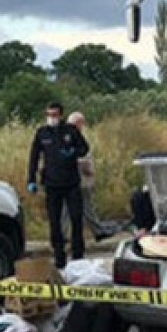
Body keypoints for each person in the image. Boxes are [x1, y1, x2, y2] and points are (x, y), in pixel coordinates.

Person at [26, 101, 90, 269]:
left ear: (60, 115)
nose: (51, 118)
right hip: (51, 183)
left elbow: (84, 148)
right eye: (48, 115)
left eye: (54, 115)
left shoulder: (70, 131)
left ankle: (78, 254)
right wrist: (31, 179)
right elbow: (34, 157)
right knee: (54, 223)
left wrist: (73, 152)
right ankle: (59, 256)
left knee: (76, 218)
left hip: (71, 183)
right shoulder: (42, 133)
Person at [59, 112, 116, 243]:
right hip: (79, 180)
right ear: (78, 123)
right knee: (86, 207)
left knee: (67, 209)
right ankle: (98, 232)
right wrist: (87, 167)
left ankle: (62, 234)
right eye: (81, 123)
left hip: (69, 181)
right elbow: (74, 159)